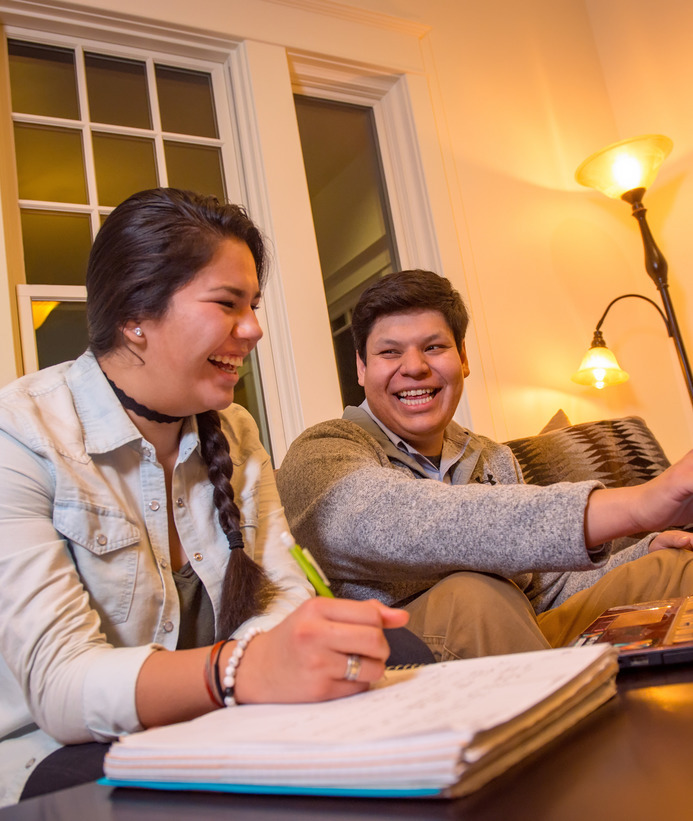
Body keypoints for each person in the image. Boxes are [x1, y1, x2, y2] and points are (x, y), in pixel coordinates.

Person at [0, 189, 413, 808]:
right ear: (135, 314)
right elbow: (62, 692)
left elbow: (284, 593)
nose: (253, 329)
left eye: (253, 305)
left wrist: (293, 652)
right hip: (54, 755)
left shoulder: (238, 433)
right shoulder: (21, 435)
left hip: (207, 721)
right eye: (227, 304)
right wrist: (245, 669)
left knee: (398, 654)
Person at [277, 269, 693, 662]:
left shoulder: (492, 457)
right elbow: (396, 522)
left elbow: (543, 590)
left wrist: (641, 551)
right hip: (397, 659)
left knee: (670, 568)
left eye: (434, 347)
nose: (415, 366)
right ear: (362, 369)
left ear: (463, 359)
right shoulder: (323, 451)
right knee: (475, 594)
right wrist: (637, 505)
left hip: (517, 638)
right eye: (389, 352)